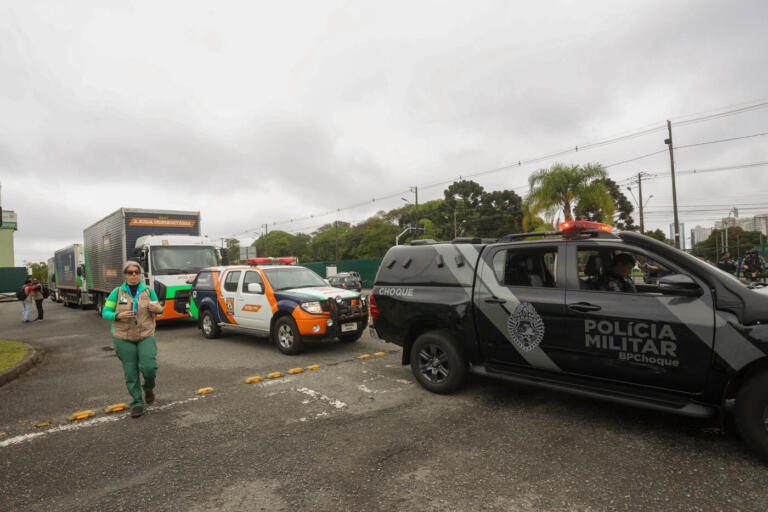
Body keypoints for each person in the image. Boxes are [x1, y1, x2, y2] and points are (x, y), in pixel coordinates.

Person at [101, 261, 163, 418]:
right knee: (131, 372)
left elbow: (160, 308)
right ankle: (136, 403)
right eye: (130, 272)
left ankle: (148, 388)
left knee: (149, 367)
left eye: (136, 272)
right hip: (123, 337)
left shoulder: (148, 291)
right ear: (125, 275)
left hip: (145, 334)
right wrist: (117, 315)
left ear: (139, 274)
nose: (134, 274)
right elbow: (105, 312)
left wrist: (158, 309)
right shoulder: (117, 292)